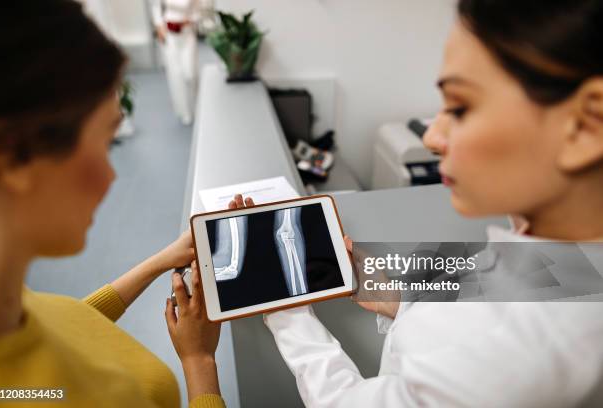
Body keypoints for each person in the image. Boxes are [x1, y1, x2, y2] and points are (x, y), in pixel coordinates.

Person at [233, 0, 603, 406]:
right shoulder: (567, 245)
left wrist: (286, 308)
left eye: (460, 107)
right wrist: (393, 297)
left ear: (587, 125)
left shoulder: (506, 351)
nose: (432, 137)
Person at [0, 1, 223, 407]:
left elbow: (63, 330)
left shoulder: (7, 301)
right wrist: (200, 363)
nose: (112, 176)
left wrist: (160, 260)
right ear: (14, 157)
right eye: (102, 142)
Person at [151, 0, 200, 126]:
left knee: (190, 74)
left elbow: (198, 12)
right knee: (175, 74)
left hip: (187, 34)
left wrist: (189, 21)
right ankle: (184, 111)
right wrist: (159, 27)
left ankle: (196, 107)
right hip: (169, 35)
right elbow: (156, 7)